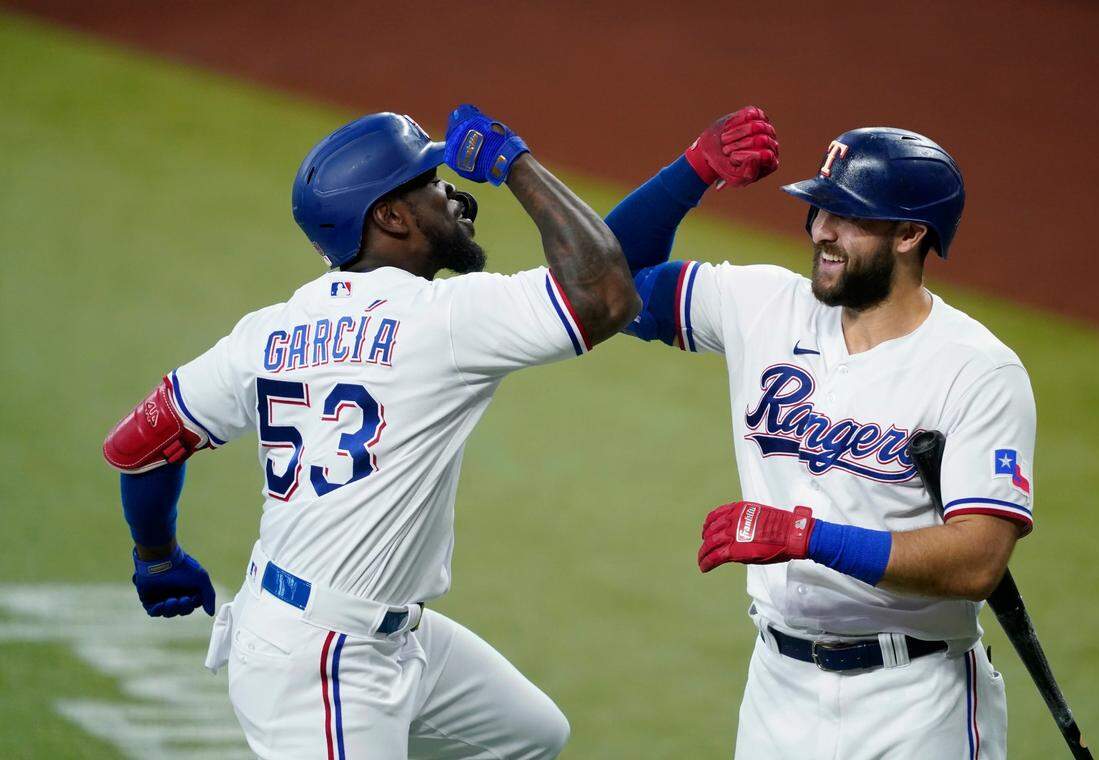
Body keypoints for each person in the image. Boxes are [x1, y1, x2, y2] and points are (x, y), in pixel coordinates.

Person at [102, 105, 639, 759]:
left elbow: (138, 446)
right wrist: (513, 163)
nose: (457, 196)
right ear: (390, 216)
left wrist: (156, 555)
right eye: (433, 182)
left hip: (374, 633)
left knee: (527, 737)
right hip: (322, 664)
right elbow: (605, 292)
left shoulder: (272, 329)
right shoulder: (443, 319)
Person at [605, 107, 1034, 759]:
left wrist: (806, 537)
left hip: (917, 704)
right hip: (777, 692)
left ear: (910, 234)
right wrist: (691, 172)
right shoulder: (763, 306)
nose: (822, 231)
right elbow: (600, 284)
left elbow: (976, 560)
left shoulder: (977, 370)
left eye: (849, 216)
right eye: (818, 209)